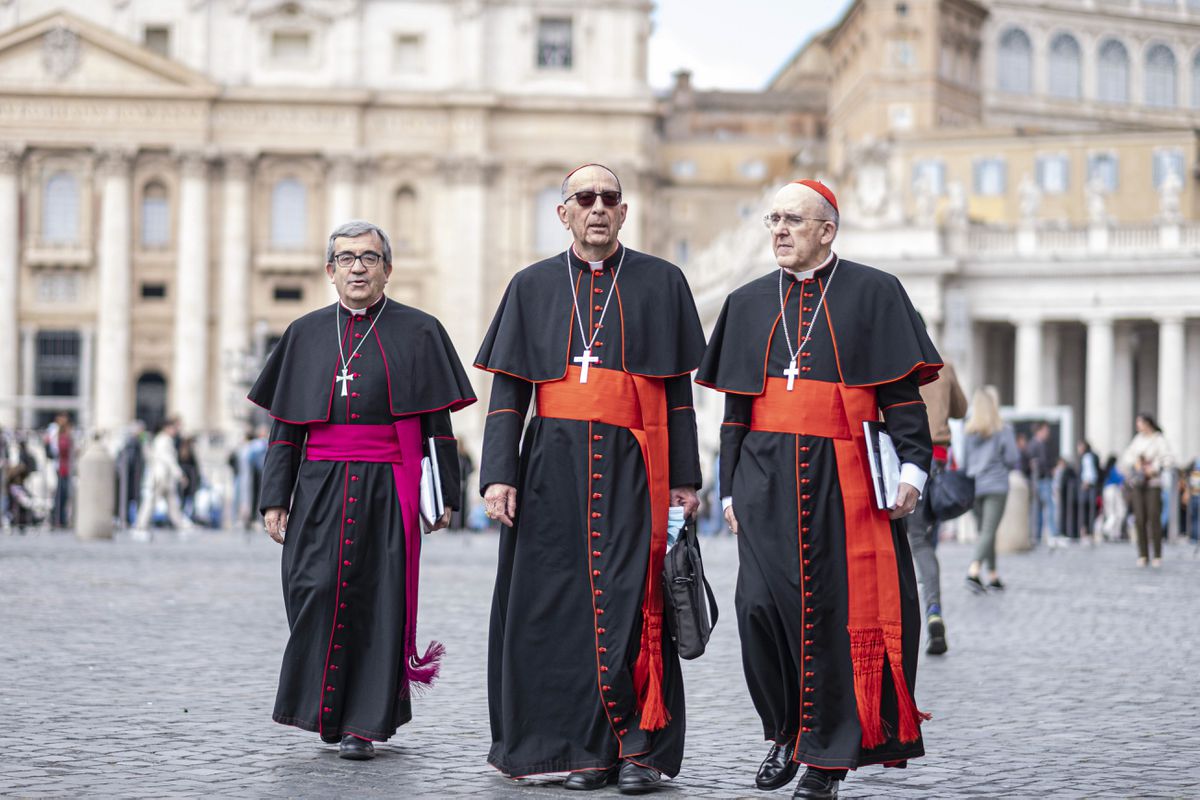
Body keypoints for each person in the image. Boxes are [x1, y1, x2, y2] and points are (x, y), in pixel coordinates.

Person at [696, 180, 939, 800]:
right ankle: (784, 729)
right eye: (772, 219)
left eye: (792, 220)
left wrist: (912, 472)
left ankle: (825, 762)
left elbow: (901, 399)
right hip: (764, 480)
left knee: (834, 620)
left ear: (826, 231)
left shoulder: (875, 292)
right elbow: (734, 410)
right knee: (758, 611)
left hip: (848, 478)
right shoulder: (749, 301)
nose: (778, 229)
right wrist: (730, 487)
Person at [476, 164, 705, 793]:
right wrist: (499, 475)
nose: (598, 207)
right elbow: (509, 391)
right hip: (551, 464)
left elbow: (676, 392)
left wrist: (685, 477)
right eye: (585, 198)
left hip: (636, 464)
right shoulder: (532, 285)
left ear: (624, 213)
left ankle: (638, 748)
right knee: (557, 606)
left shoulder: (662, 281)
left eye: (609, 198)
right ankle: (578, 748)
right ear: (564, 213)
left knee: (635, 601)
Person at [249, 220, 476, 759]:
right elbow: (285, 428)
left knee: (379, 600)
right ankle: (322, 709)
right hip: (320, 485)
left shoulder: (419, 331)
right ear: (329, 271)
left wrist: (444, 495)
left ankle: (363, 725)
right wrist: (274, 498)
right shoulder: (304, 333)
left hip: (387, 484)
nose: (358, 267)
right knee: (315, 589)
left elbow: (437, 423)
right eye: (347, 258)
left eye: (369, 258)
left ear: (387, 270)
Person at [905, 355, 966, 655]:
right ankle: (933, 609)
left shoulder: (894, 358)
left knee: (904, 541)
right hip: (937, 461)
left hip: (902, 457)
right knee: (924, 542)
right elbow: (961, 409)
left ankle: (903, 617)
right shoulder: (944, 366)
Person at [959, 387, 1019, 592]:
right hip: (996, 485)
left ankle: (993, 575)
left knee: (985, 531)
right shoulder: (1004, 430)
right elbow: (1013, 459)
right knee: (988, 531)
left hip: (975, 486)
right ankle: (973, 572)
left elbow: (964, 464)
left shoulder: (968, 431)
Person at [1119, 413, 1174, 567]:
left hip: (1153, 483)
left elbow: (1168, 459)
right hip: (1138, 483)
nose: (1138, 426)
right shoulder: (1137, 440)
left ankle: (1157, 554)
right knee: (1140, 518)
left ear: (1147, 423)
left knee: (1153, 517)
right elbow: (1127, 457)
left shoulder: (1158, 440)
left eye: (1140, 422)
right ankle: (1143, 554)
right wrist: (1136, 464)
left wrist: (1153, 468)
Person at [134, 418, 192, 533]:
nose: (175, 430)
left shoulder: (162, 439)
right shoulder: (164, 440)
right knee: (152, 500)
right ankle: (141, 523)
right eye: (173, 428)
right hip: (162, 476)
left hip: (166, 477)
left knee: (172, 502)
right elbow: (168, 459)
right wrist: (179, 474)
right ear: (167, 428)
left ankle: (179, 523)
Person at [1025, 422, 1056, 547]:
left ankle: (1037, 535)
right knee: (1048, 507)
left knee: (1038, 509)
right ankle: (1052, 534)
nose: (1047, 433)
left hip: (1039, 479)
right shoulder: (1036, 445)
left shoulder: (1035, 445)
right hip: (1041, 479)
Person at [47, 413, 73, 528]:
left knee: (64, 494)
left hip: (66, 468)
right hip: (61, 468)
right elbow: (57, 450)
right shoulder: (57, 434)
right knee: (60, 493)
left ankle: (61, 518)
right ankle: (57, 518)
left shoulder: (66, 434)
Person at [1077, 441, 1101, 541]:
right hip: (1090, 485)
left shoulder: (1087, 457)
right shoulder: (1090, 456)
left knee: (1088, 509)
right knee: (1088, 508)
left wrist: (1086, 482)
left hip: (1089, 485)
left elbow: (1089, 472)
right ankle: (1087, 530)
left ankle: (1088, 531)